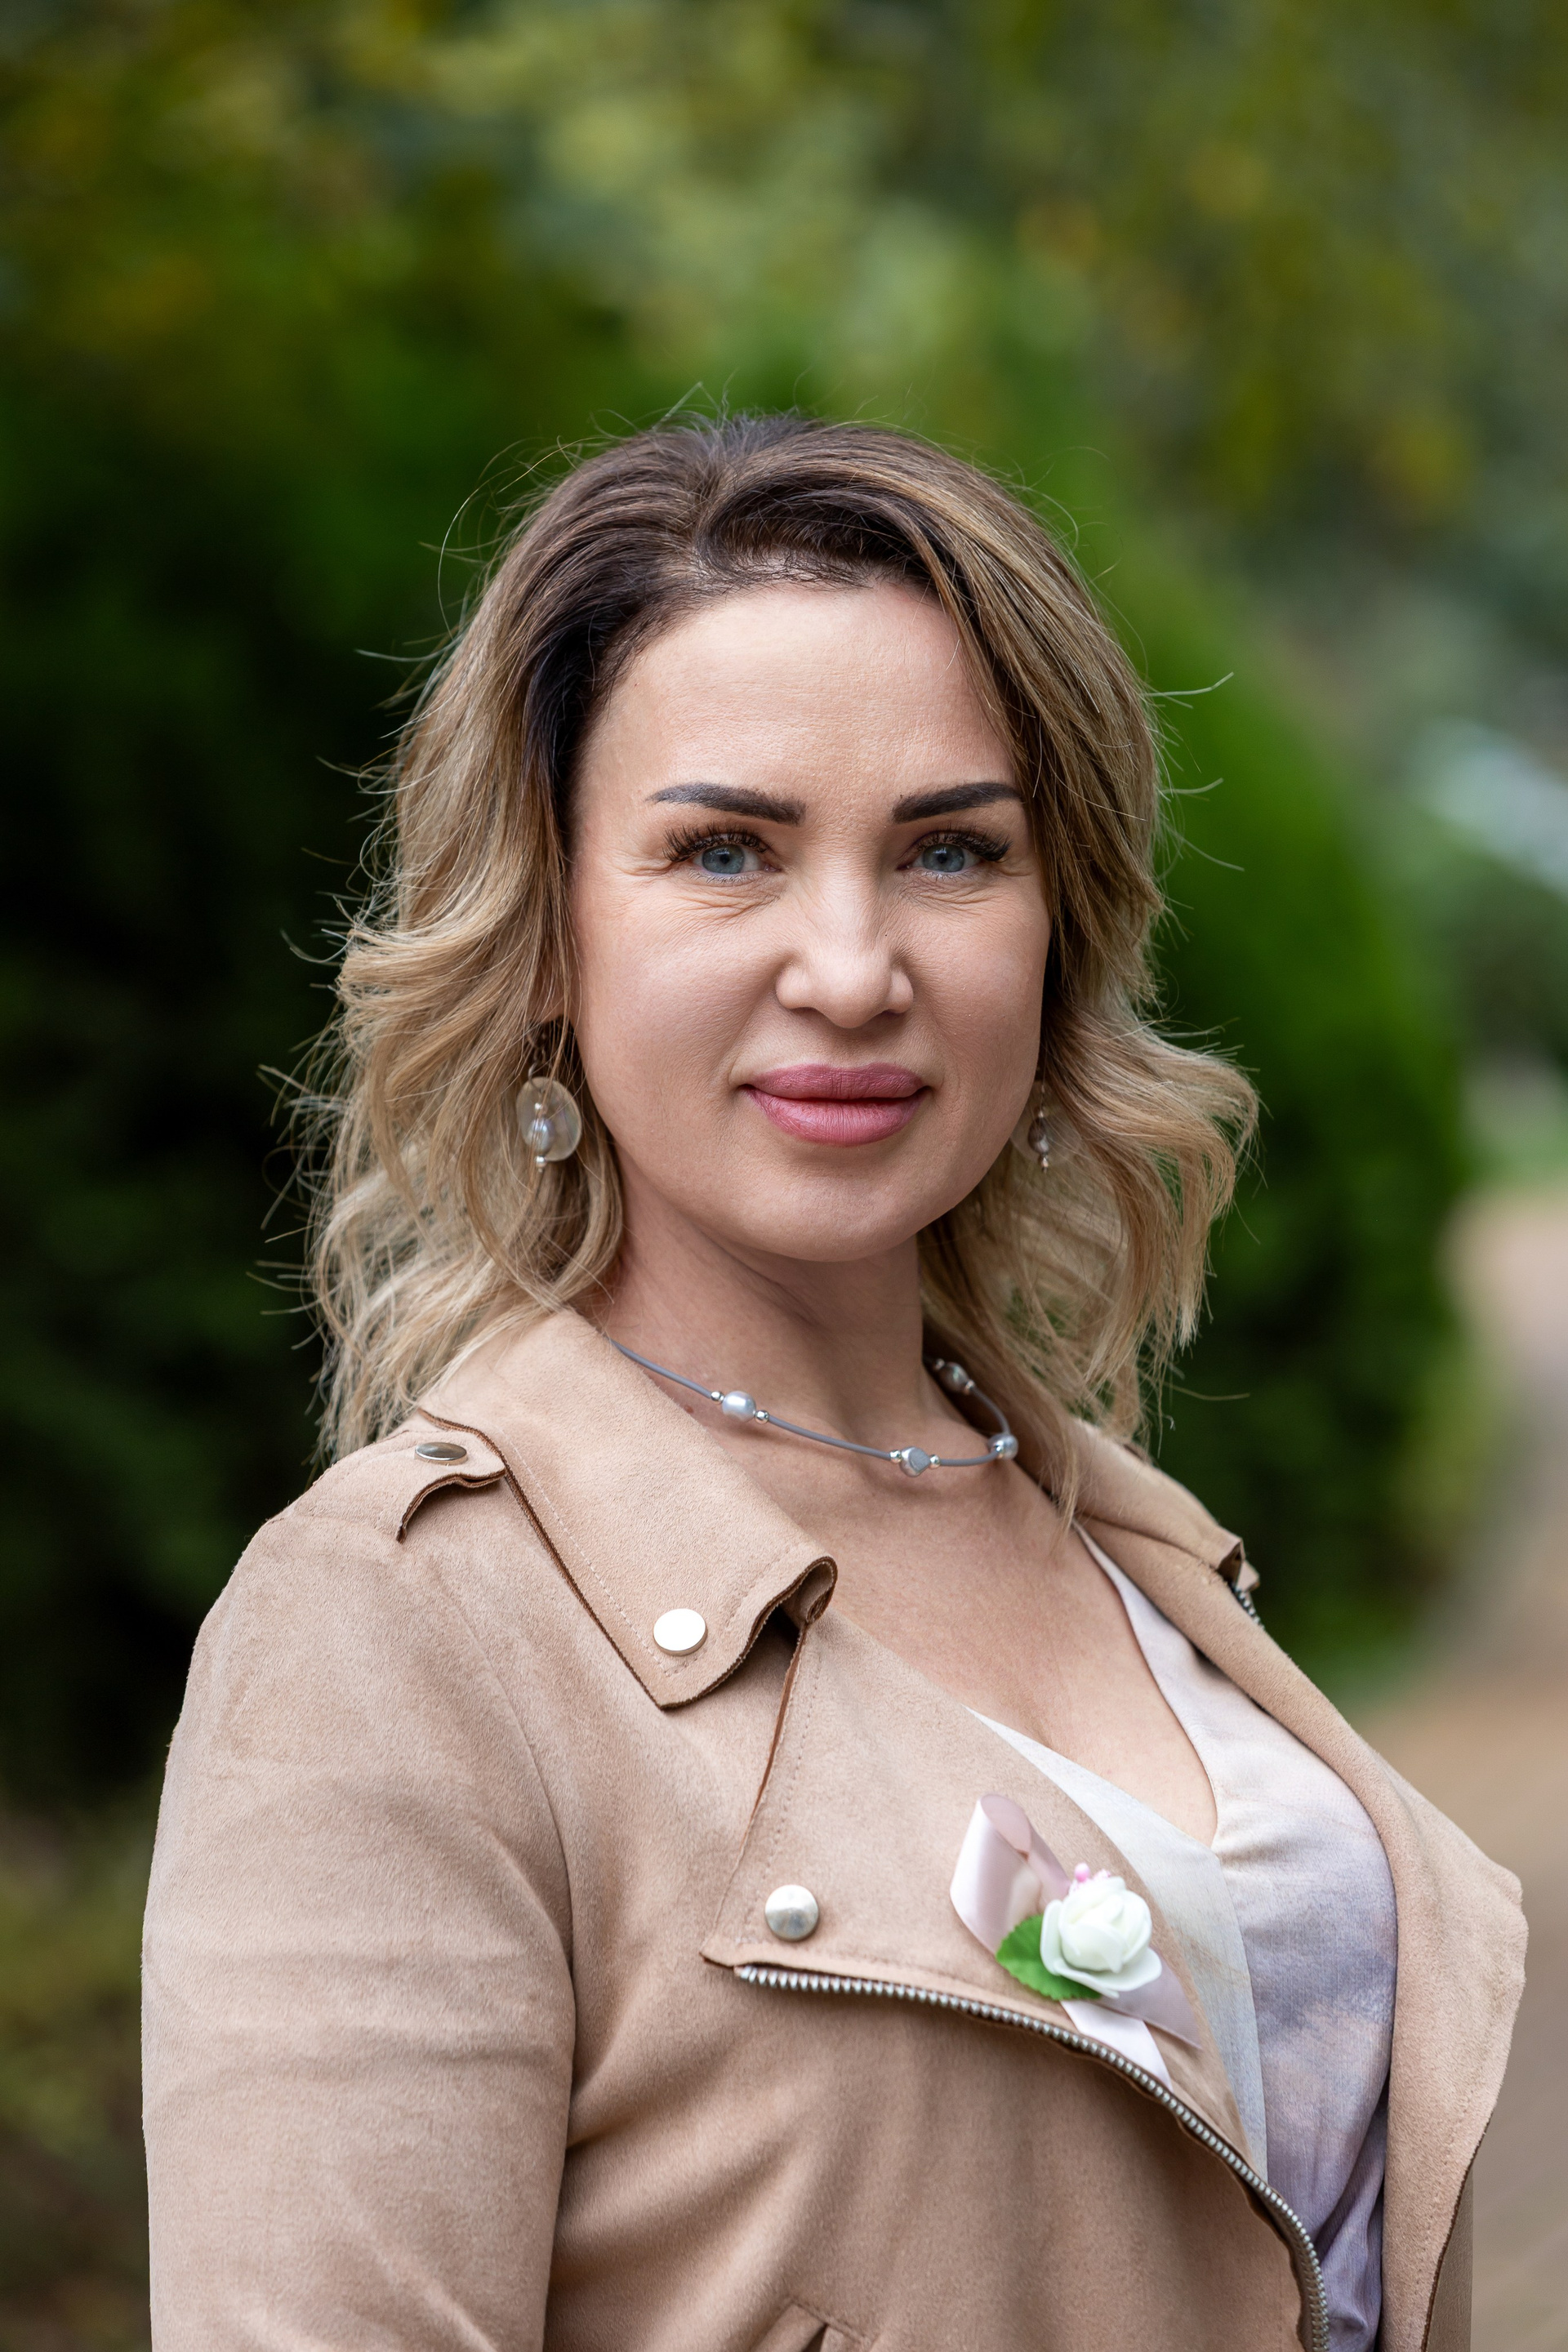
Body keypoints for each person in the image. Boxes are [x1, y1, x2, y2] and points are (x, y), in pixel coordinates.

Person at [141, 415, 1523, 2352]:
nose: (855, 967)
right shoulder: (399, 1633)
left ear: (1056, 931)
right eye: (727, 851)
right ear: (550, 932)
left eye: (952, 851)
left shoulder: (1127, 1542)